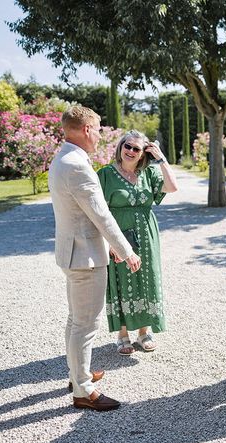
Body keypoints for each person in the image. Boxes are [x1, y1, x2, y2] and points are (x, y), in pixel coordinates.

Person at [49, 105, 141, 412]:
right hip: (84, 256)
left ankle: (78, 375)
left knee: (76, 320)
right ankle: (83, 390)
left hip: (73, 251)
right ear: (87, 129)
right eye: (98, 129)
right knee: (85, 324)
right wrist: (126, 250)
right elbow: (100, 215)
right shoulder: (76, 164)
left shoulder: (63, 157)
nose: (100, 136)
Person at [97, 131, 178, 355]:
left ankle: (144, 332)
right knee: (120, 280)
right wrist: (112, 243)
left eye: (136, 148)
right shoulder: (105, 174)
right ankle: (122, 335)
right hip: (119, 234)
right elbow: (98, 212)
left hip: (146, 234)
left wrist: (161, 159)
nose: (130, 151)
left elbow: (172, 187)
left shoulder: (149, 174)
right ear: (121, 147)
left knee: (147, 278)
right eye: (127, 146)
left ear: (143, 153)